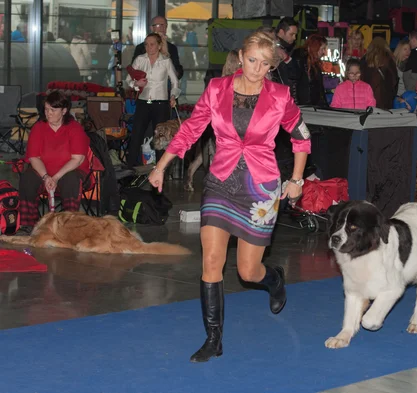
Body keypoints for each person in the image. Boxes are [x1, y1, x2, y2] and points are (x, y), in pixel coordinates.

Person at [148, 31, 311, 363]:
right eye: (252, 60)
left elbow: (302, 137)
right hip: (221, 181)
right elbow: (191, 129)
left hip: (260, 188)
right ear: (240, 55)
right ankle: (213, 339)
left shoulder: (280, 96)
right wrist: (161, 166)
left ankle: (274, 278)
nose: (257, 68)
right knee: (211, 261)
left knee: (248, 272)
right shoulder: (217, 89)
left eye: (266, 64)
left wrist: (296, 179)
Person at [17, 91, 90, 235]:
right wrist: (46, 177)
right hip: (44, 171)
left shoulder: (75, 128)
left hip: (69, 171)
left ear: (64, 111)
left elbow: (77, 159)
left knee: (71, 180)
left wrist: (55, 177)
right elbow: (34, 158)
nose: (48, 113)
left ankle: (69, 224)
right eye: (46, 109)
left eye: (53, 110)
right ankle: (28, 224)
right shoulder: (38, 128)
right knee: (27, 179)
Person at [126, 33, 180, 167]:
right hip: (144, 102)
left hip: (161, 103)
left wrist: (173, 96)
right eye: (146, 44)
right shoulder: (140, 59)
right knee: (136, 135)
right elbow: (128, 80)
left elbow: (175, 82)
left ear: (159, 46)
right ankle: (131, 168)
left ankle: (160, 169)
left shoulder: (166, 61)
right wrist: (136, 84)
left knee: (161, 138)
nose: (149, 47)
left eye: (152, 44)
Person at [289, 34, 328, 106]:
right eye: (322, 49)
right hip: (305, 105)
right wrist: (296, 105)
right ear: (315, 47)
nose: (324, 52)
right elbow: (293, 83)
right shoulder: (299, 58)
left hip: (310, 105)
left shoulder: (314, 62)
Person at [360, 37, 398, 110]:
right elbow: (394, 80)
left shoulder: (364, 60)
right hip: (384, 99)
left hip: (366, 98)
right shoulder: (389, 60)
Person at [272, 17, 298, 86]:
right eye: (291, 34)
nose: (294, 38)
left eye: (295, 35)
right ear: (281, 32)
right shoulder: (273, 49)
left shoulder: (288, 49)